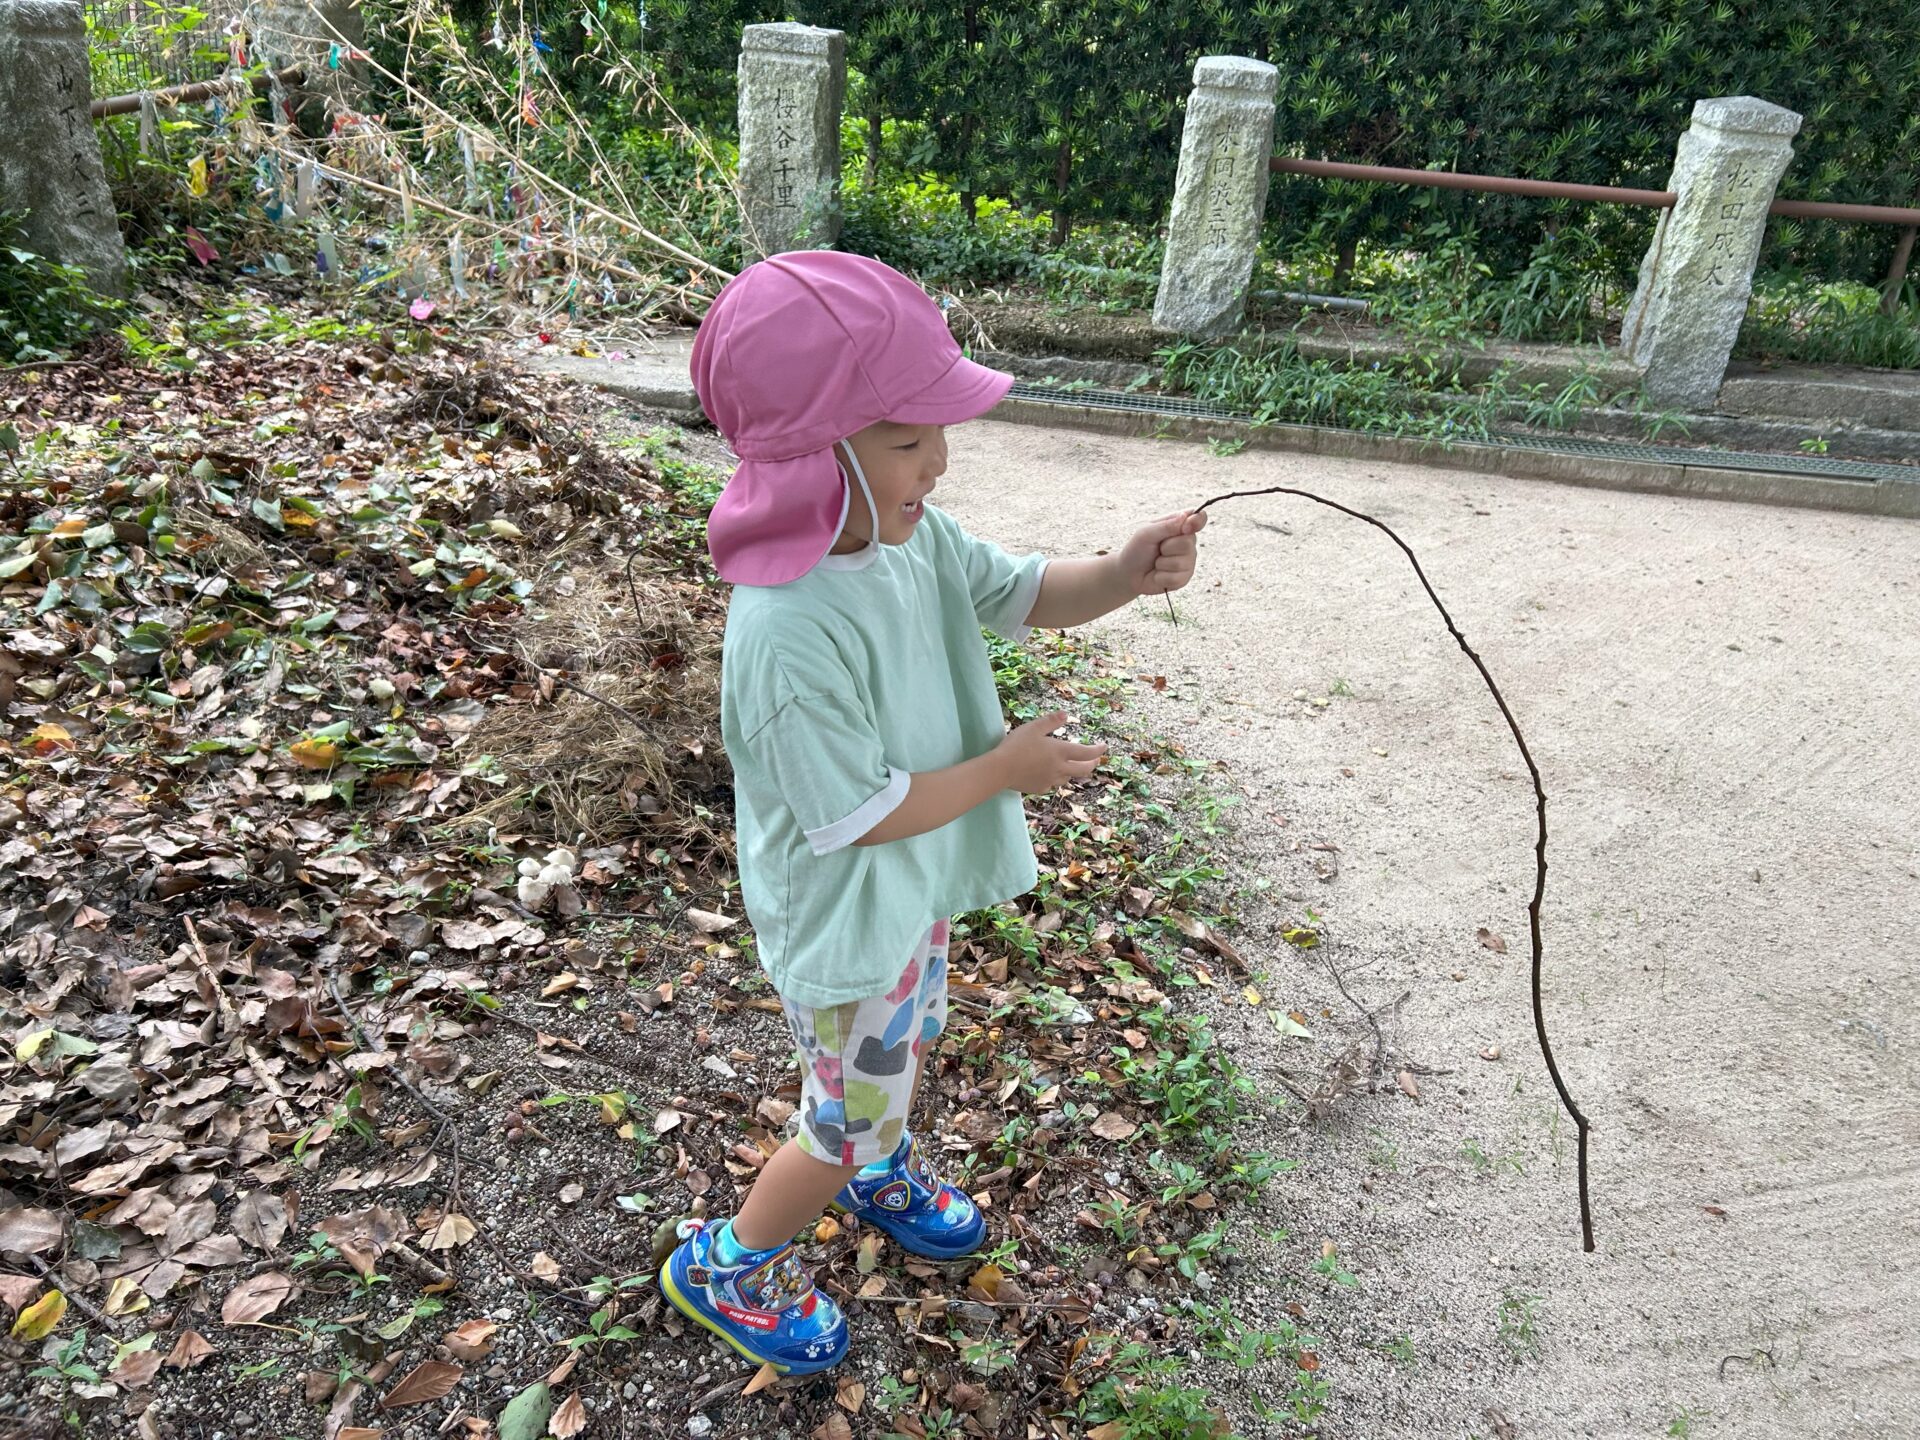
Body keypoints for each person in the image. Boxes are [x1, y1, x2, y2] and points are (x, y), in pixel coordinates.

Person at [659, 250, 1206, 1374]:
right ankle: (728, 1263)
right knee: (837, 1118)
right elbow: (858, 815)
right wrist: (1004, 769)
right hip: (846, 911)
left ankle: (876, 1165)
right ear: (815, 453)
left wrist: (1120, 571)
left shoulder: (912, 543)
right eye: (909, 440)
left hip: (904, 893)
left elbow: (1025, 591)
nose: (940, 462)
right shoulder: (787, 632)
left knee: (895, 1055)